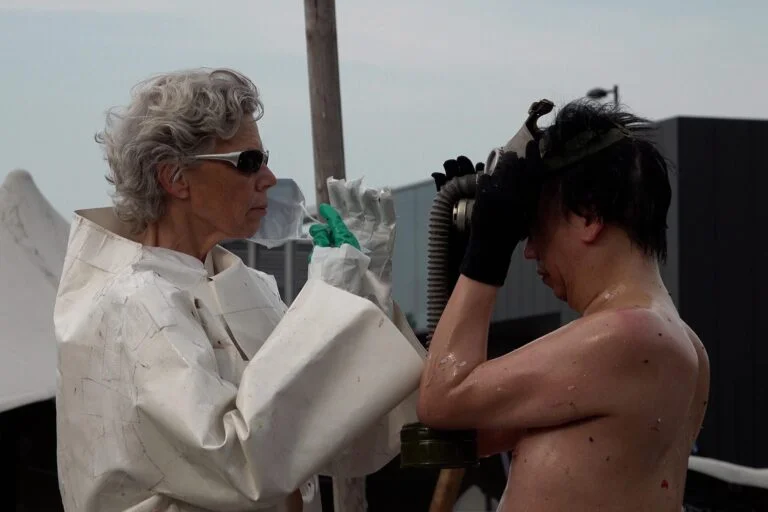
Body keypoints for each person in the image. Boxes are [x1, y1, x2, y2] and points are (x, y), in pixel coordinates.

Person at [53, 67, 425, 512]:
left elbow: (344, 443)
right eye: (247, 162)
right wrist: (328, 308)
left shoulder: (243, 286)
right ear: (176, 178)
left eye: (263, 159)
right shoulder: (133, 301)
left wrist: (365, 297)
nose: (268, 177)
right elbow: (239, 464)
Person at [417, 99, 710, 511]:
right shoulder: (675, 342)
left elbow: (442, 400)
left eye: (535, 225)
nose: (530, 250)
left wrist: (485, 254)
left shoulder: (632, 338)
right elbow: (454, 435)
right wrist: (460, 265)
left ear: (589, 214)